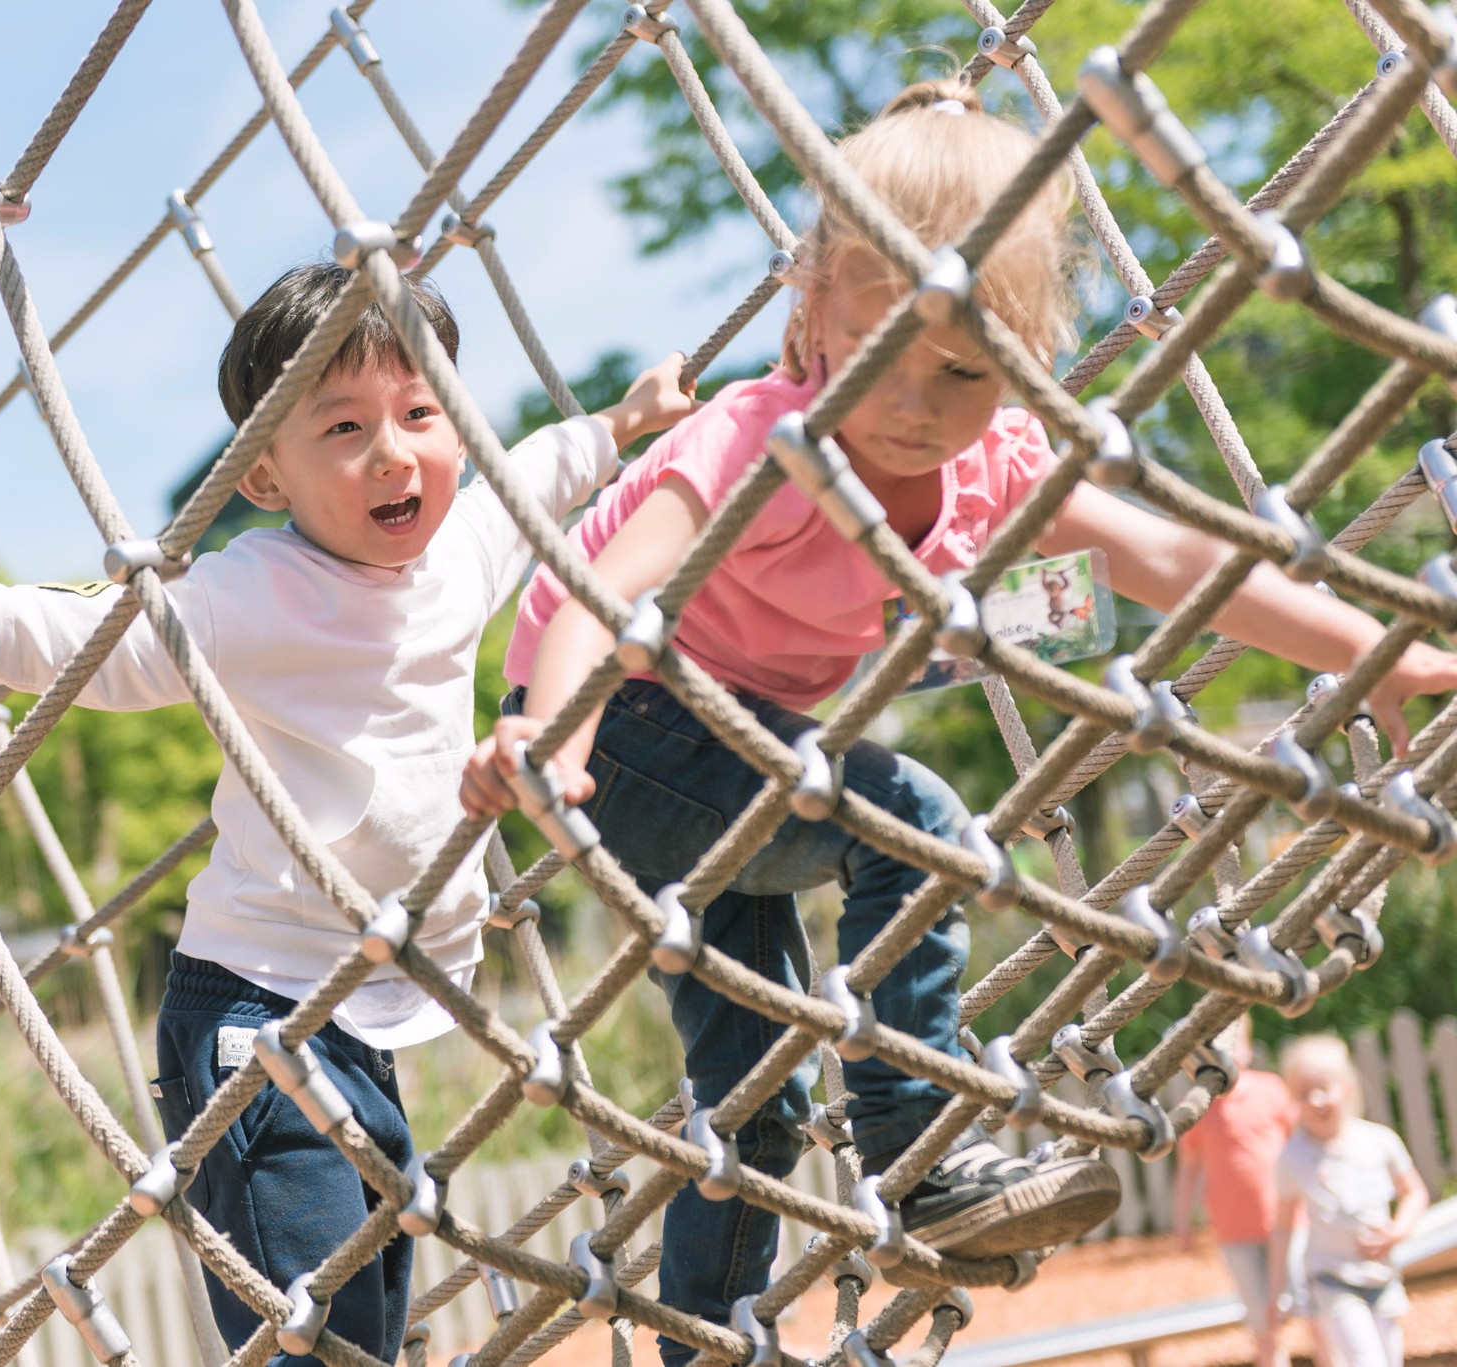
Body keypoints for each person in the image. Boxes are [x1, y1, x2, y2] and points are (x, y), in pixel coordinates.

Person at [459, 77, 1457, 1363]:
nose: (918, 405)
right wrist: (555, 733)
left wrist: (1367, 647)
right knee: (917, 820)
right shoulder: (762, 437)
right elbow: (603, 582)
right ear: (810, 308)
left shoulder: (993, 472)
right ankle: (917, 1152)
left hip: (750, 733)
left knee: (749, 1099)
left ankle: (699, 1339)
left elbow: (1168, 555)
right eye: (886, 352)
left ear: (1022, 360)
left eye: (965, 368)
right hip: (629, 726)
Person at [0, 261, 697, 1366]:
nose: (390, 450)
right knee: (313, 1333)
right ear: (265, 476)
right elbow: (59, 636)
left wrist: (625, 420)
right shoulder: (251, 591)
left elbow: (541, 469)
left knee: (368, 1315)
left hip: (371, 1005)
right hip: (255, 1012)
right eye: (341, 427)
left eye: (420, 413)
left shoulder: (466, 544)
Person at [1272, 1034, 1428, 1367]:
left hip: (1382, 1276)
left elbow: (1415, 1192)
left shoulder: (1378, 1141)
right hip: (1332, 1278)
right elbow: (1283, 1226)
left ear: (1348, 1087)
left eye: (1324, 1088)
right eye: (1303, 1093)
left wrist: (1398, 1231)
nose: (1316, 1100)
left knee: (1390, 1359)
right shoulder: (1293, 1156)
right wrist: (1276, 1291)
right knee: (1366, 1360)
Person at [1175, 1019, 1299, 1367]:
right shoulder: (1198, 1105)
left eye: (1233, 1046)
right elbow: (1189, 1168)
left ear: (1248, 1047)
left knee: (1298, 1301)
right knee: (1260, 1313)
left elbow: (1300, 1146)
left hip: (1287, 1224)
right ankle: (1272, 1357)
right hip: (1233, 1228)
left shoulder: (1272, 1089)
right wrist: (1182, 1220)